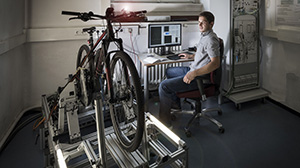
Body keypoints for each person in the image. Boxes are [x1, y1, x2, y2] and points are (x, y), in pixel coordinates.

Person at [158, 11, 220, 127]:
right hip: (193, 70)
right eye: (199, 22)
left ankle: (164, 123)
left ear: (211, 24)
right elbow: (203, 55)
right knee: (169, 71)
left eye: (203, 22)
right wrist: (191, 56)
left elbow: (215, 63)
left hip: (199, 78)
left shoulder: (211, 40)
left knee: (163, 86)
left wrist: (194, 74)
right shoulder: (204, 36)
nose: (200, 25)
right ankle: (176, 107)